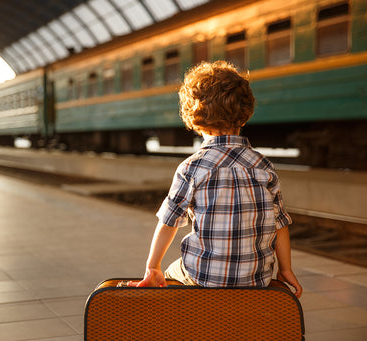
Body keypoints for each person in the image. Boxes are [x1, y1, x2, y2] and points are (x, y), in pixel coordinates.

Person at [128, 61, 302, 298]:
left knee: (168, 273)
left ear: (195, 118)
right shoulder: (263, 165)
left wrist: (152, 266)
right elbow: (280, 224)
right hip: (256, 279)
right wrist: (286, 269)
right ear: (245, 114)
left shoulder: (191, 167)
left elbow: (168, 222)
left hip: (204, 278)